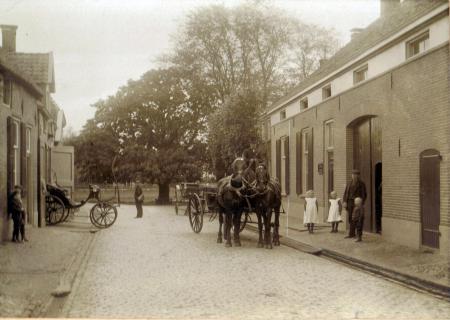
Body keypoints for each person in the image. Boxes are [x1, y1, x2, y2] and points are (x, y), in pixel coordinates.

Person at [343, 169, 367, 238]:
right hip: (349, 202)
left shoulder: (361, 184)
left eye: (355, 175)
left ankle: (358, 234)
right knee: (351, 218)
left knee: (357, 218)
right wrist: (344, 201)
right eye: (353, 175)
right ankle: (351, 234)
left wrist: (361, 203)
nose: (354, 176)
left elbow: (364, 194)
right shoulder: (349, 183)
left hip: (357, 203)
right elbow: (345, 193)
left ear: (358, 176)